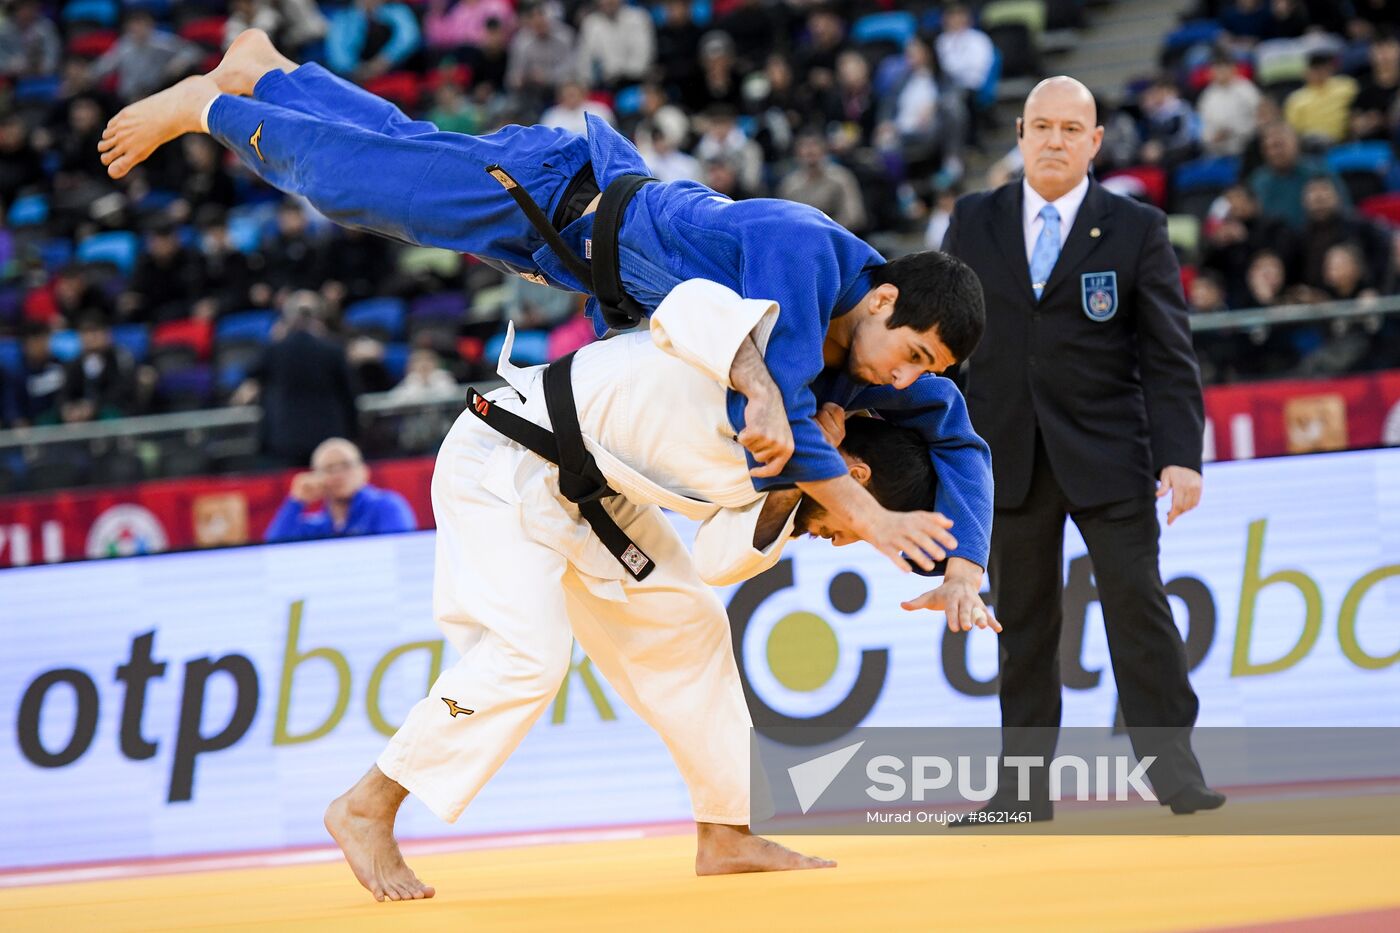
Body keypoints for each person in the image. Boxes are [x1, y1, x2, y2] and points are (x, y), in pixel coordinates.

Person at [97, 28, 990, 580]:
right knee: (351, 186)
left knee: (400, 151)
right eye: (910, 353)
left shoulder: (871, 359)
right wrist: (872, 520)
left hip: (565, 248)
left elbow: (956, 433)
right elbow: (776, 406)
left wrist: (965, 568)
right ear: (880, 298)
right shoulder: (805, 250)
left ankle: (270, 74)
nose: (905, 378)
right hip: (548, 189)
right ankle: (207, 106)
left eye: (924, 370)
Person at [322, 278, 997, 901]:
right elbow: (684, 305)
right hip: (508, 454)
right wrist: (760, 388)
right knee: (530, 655)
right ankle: (367, 805)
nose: (838, 538)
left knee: (692, 623)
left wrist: (800, 477)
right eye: (854, 529)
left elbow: (715, 557)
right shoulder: (787, 360)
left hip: (596, 496)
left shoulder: (796, 465)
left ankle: (725, 829)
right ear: (854, 470)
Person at [936, 76, 1225, 820]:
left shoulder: (1136, 228)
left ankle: (1176, 773)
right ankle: (1022, 791)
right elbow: (943, 346)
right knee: (1023, 629)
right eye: (1042, 126)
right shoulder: (974, 219)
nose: (1055, 140)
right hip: (1008, 455)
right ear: (1022, 135)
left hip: (1110, 456)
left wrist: (1181, 454)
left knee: (1140, 612)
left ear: (1095, 142)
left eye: (1072, 128)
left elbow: (1168, 353)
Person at [232, 290, 359, 466]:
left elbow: (250, 373)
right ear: (319, 319)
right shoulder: (333, 350)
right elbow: (349, 395)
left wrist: (275, 338)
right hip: (328, 437)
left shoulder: (275, 350)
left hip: (285, 440)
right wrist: (353, 433)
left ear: (287, 319)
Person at [265, 437, 417, 542]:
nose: (338, 475)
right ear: (316, 476)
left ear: (363, 471)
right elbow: (273, 549)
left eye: (346, 465)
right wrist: (296, 501)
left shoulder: (386, 506)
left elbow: (399, 553)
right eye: (329, 469)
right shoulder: (316, 526)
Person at [776, 131, 868, 234]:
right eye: (804, 146)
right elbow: (784, 221)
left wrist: (827, 231)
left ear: (825, 151)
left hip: (837, 235)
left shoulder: (842, 177)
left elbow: (854, 216)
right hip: (802, 237)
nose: (810, 151)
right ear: (797, 153)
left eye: (814, 145)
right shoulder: (789, 184)